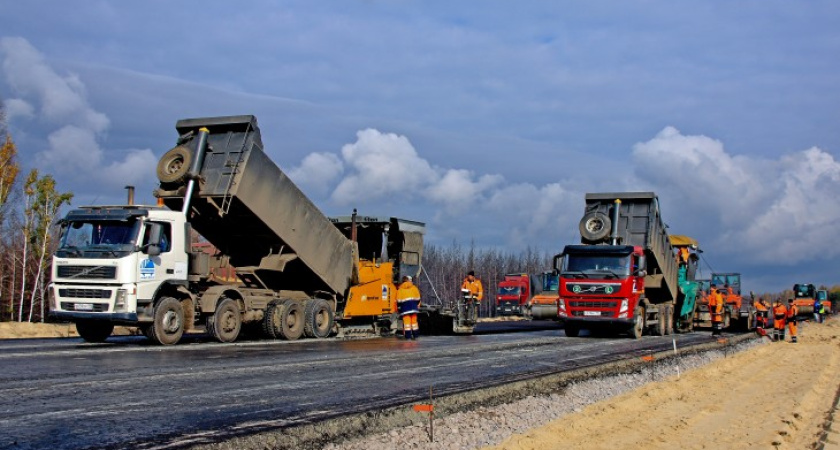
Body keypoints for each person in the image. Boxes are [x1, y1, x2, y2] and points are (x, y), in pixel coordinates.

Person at [397, 275, 421, 340]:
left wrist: (399, 307)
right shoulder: (414, 288)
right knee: (414, 323)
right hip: (414, 308)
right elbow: (418, 298)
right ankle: (416, 336)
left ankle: (408, 337)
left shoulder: (400, 289)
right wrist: (415, 304)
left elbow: (398, 301)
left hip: (405, 309)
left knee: (407, 324)